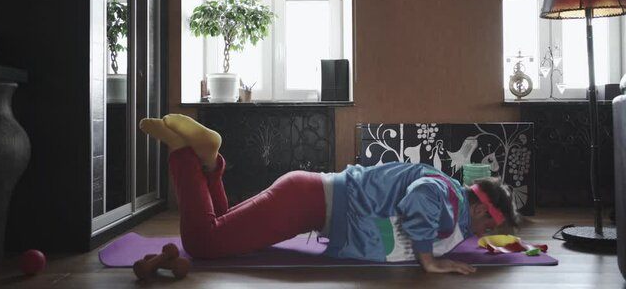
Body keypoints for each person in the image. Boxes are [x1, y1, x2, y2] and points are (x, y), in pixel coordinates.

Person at [139, 114, 520, 275]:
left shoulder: (448, 188)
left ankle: (209, 161)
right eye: (489, 223)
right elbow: (419, 199)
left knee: (220, 228)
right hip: (305, 203)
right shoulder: (446, 196)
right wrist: (428, 262)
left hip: (305, 193)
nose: (483, 232)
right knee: (203, 242)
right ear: (479, 206)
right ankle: (184, 156)